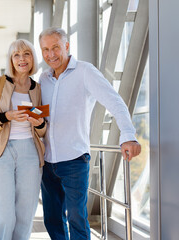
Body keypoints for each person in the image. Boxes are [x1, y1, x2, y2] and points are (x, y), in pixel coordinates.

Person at [38, 27, 142, 240]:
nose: (51, 54)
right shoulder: (43, 79)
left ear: (67, 46)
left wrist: (128, 135)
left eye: (55, 47)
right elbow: (42, 113)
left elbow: (114, 101)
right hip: (47, 161)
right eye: (45, 49)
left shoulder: (85, 72)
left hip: (74, 160)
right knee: (52, 219)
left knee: (77, 218)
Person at [0, 39, 46, 240]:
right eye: (16, 55)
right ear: (11, 59)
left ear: (33, 58)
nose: (22, 59)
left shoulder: (38, 89)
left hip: (30, 153)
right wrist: (6, 116)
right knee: (2, 212)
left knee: (25, 212)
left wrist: (39, 123)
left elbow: (43, 130)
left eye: (26, 54)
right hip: (1, 151)